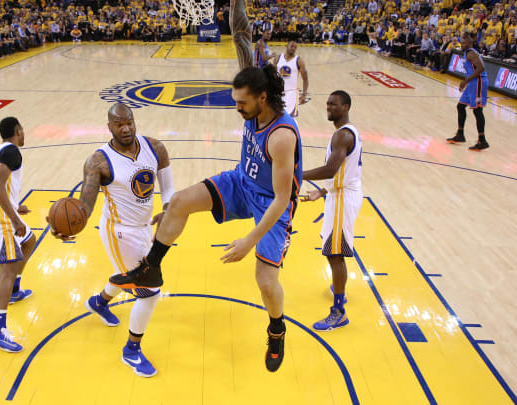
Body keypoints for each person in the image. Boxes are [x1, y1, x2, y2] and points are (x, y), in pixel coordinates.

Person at [110, 0, 303, 373]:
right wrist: (236, 3)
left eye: (242, 104)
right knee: (179, 202)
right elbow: (242, 33)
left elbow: (282, 199)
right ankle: (151, 268)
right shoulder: (253, 83)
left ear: (262, 99)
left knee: (265, 281)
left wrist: (249, 240)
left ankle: (276, 328)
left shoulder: (281, 136)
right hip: (240, 181)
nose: (237, 108)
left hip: (270, 203)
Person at [52, 103, 173, 377]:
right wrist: (68, 225)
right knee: (149, 291)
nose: (126, 127)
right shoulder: (98, 161)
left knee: (129, 274)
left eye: (129, 121)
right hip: (119, 231)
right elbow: (85, 206)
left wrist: (167, 208)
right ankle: (131, 351)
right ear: (109, 127)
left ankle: (100, 302)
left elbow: (168, 187)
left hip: (144, 227)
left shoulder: (155, 148)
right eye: (119, 124)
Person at [301, 90, 362, 331]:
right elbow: (345, 171)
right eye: (327, 103)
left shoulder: (343, 136)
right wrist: (322, 192)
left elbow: (330, 170)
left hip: (344, 198)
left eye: (333, 104)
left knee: (335, 253)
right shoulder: (344, 134)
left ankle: (339, 311)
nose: (328, 107)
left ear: (345, 107)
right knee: (331, 249)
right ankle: (339, 290)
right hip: (340, 194)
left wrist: (297, 174)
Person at [0, 117, 35, 352]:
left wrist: (15, 206)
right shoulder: (12, 151)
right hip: (1, 215)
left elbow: (0, 185)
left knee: (30, 241)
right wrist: (13, 217)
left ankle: (14, 290)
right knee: (8, 268)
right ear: (17, 131)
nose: (24, 134)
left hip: (1, 208)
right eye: (22, 130)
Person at [447, 32, 489, 150]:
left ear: (470, 43)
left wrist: (465, 81)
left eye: (464, 43)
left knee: (477, 110)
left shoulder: (471, 53)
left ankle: (482, 140)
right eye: (462, 42)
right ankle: (460, 134)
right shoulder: (467, 52)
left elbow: (481, 68)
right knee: (460, 106)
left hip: (479, 82)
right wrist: (466, 82)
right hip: (472, 83)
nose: (462, 44)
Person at [275, 41, 309, 117]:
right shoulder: (278, 58)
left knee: (289, 117)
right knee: (276, 116)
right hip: (278, 92)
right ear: (287, 46)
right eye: (292, 46)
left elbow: (305, 79)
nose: (293, 48)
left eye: (295, 47)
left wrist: (304, 94)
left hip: (292, 93)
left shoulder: (299, 61)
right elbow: (273, 75)